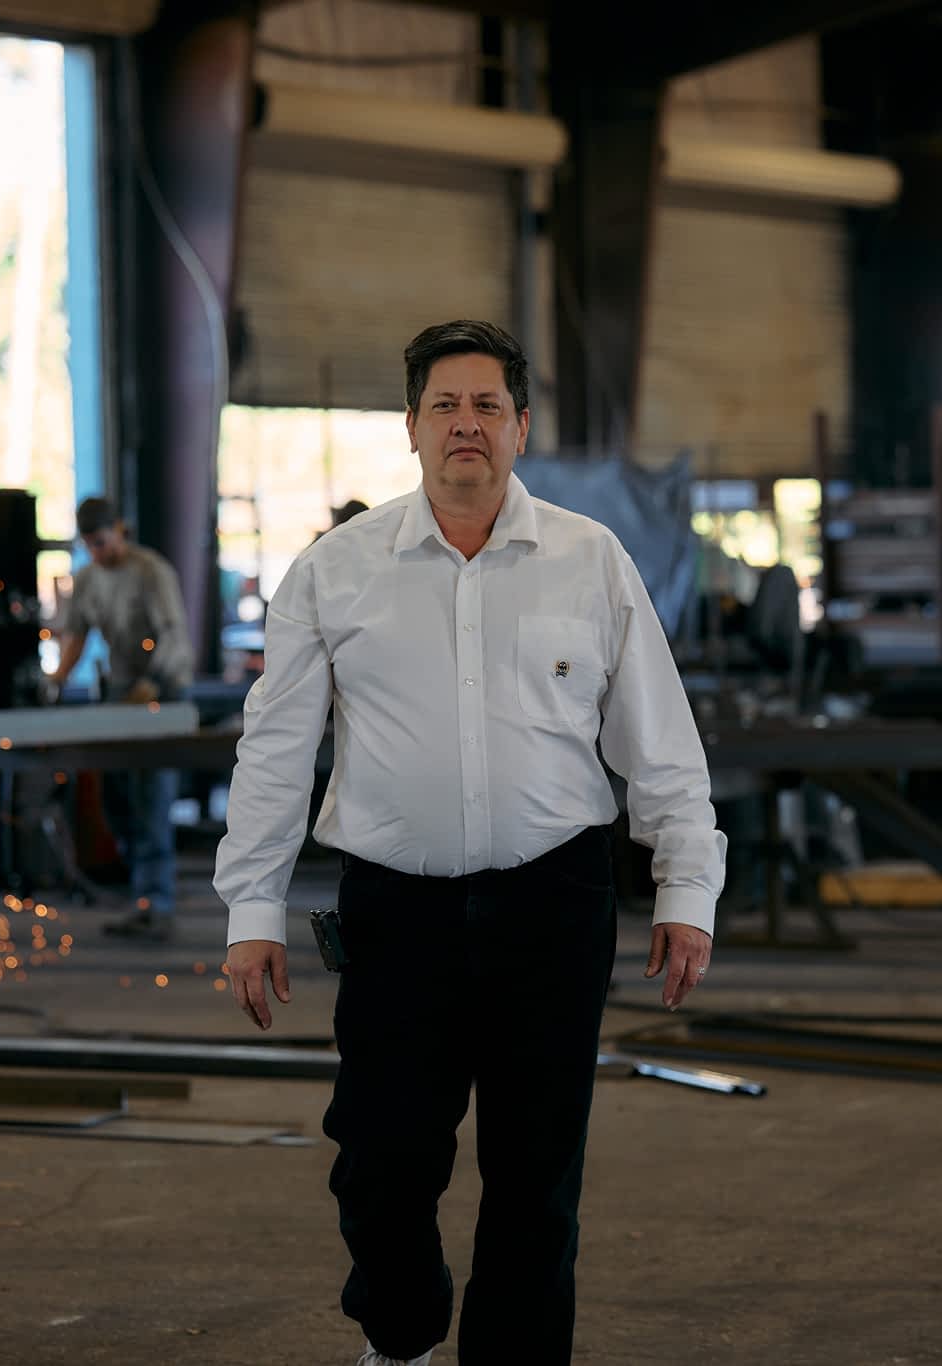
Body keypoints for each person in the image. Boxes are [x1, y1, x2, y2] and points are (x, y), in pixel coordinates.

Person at [215, 320, 726, 1366]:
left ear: (520, 428)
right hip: (393, 915)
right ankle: (399, 1335)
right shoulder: (333, 572)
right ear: (409, 428)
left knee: (536, 1175)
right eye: (443, 406)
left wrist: (685, 886)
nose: (465, 425)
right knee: (378, 1159)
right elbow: (273, 751)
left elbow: (659, 742)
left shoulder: (591, 563)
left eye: (486, 406)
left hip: (553, 904)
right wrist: (251, 909)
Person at [48, 496, 193, 942]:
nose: (99, 551)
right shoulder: (88, 578)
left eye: (103, 541)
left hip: (161, 692)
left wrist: (155, 681)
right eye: (90, 545)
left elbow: (173, 635)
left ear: (121, 529)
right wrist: (54, 680)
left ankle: (157, 905)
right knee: (116, 798)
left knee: (151, 800)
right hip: (118, 693)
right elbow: (76, 635)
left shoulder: (152, 571)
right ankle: (141, 897)